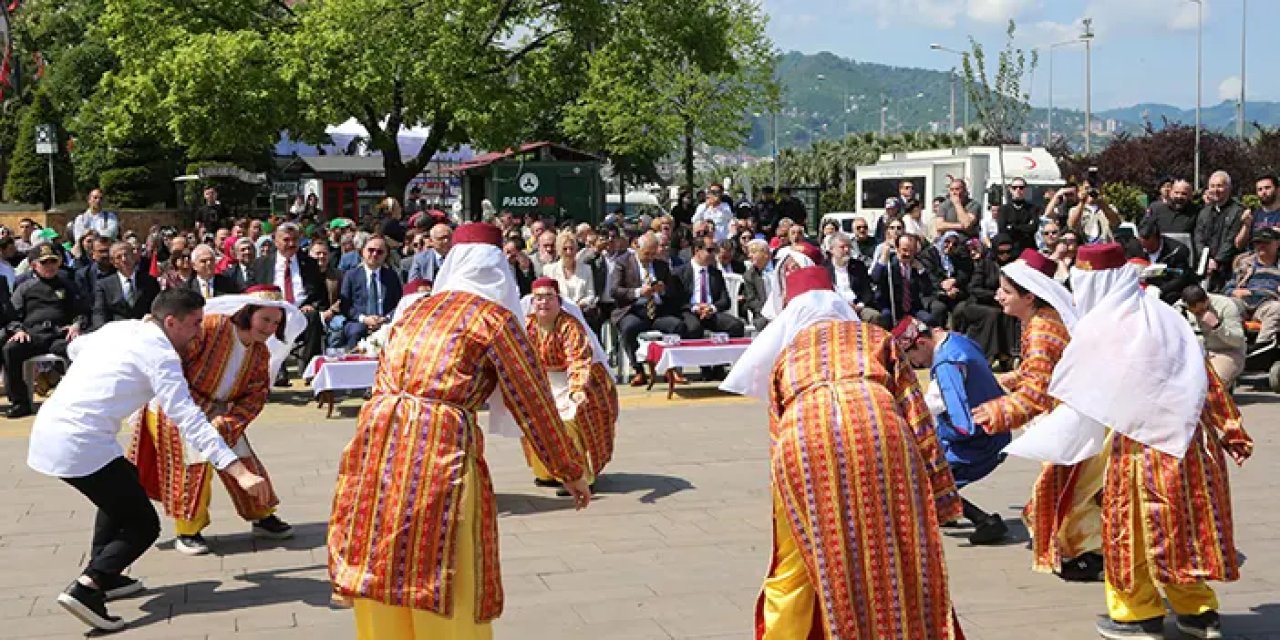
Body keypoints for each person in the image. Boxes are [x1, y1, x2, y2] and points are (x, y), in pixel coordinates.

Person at [327, 223, 591, 640]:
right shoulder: (496, 319)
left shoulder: (414, 310)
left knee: (380, 551)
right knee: (444, 558)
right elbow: (533, 401)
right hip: (439, 440)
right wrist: (569, 468)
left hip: (376, 436)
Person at [1008, 243, 1252, 640]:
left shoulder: (1104, 328)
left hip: (1137, 451)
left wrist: (1005, 418)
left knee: (1130, 535)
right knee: (1180, 531)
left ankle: (1137, 616)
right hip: (1187, 448)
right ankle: (1199, 614)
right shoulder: (1163, 316)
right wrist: (1231, 430)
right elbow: (1202, 375)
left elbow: (1067, 394)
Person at [720, 266, 965, 640]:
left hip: (805, 444)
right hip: (880, 431)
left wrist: (784, 506)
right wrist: (944, 497)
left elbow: (777, 435)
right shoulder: (875, 338)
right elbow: (917, 417)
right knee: (899, 551)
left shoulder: (786, 356)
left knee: (817, 555)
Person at [26, 288, 270, 632]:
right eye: (195, 324)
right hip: (81, 444)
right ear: (170, 322)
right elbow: (189, 417)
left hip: (51, 431)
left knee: (122, 485)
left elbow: (75, 347)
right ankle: (89, 587)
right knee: (143, 526)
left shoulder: (120, 329)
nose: (199, 332)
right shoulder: (162, 356)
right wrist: (238, 470)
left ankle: (108, 575)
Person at [129, 285, 306, 555]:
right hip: (178, 406)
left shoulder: (260, 353)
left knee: (244, 459)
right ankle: (188, 529)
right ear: (248, 314)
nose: (270, 328)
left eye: (276, 322)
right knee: (192, 465)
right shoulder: (212, 327)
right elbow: (174, 361)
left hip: (221, 412)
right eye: (265, 319)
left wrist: (231, 421)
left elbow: (256, 395)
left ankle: (262, 514)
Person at [970, 248, 1107, 583]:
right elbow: (1037, 371)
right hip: (1082, 416)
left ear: (1029, 296)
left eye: (1005, 291)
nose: (998, 296)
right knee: (1066, 492)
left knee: (1064, 495)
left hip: (1078, 421)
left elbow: (1036, 392)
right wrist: (1001, 380)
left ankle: (1092, 554)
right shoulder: (1042, 319)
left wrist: (993, 413)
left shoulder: (1042, 329)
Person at [895, 317, 1009, 544]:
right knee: (930, 476)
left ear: (922, 343)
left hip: (976, 440)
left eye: (913, 357)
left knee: (929, 478)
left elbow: (955, 411)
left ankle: (984, 521)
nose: (916, 364)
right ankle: (947, 511)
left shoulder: (946, 363)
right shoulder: (958, 341)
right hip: (994, 426)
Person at [520, 278, 618, 494]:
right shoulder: (527, 325)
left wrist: (577, 388)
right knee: (532, 417)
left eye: (548, 297)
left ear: (558, 300)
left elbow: (578, 358)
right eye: (538, 298)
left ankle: (580, 475)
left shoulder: (569, 326)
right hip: (545, 380)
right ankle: (547, 472)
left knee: (568, 421)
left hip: (578, 379)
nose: (543, 302)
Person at [1181, 283, 1246, 389]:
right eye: (1194, 312)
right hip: (1194, 354)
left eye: (1201, 310)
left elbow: (1238, 340)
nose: (1198, 314)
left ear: (1207, 300)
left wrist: (1217, 326)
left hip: (1225, 352)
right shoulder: (1179, 307)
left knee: (1211, 383)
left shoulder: (1225, 305)